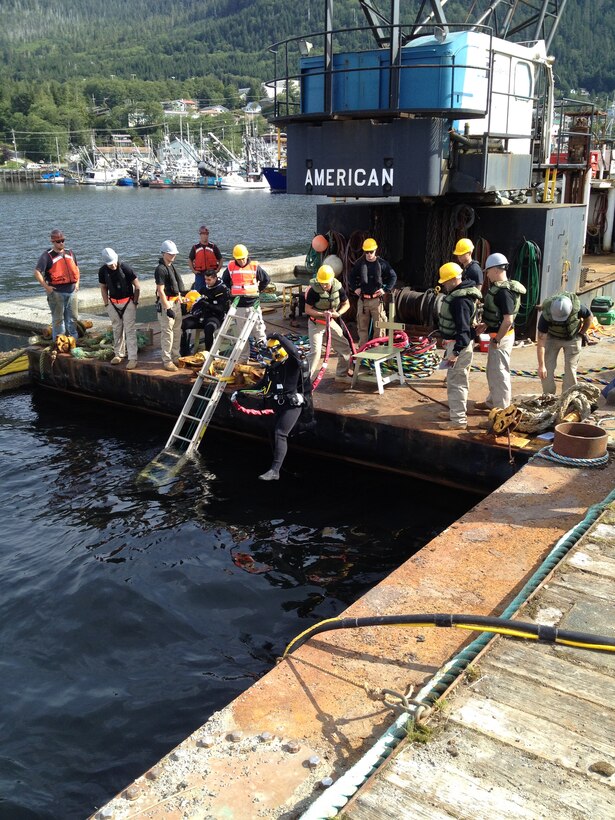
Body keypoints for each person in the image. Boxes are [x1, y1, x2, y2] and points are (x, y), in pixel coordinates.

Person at [236, 333, 309, 481]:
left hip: (292, 406)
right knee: (272, 433)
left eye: (275, 349)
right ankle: (279, 465)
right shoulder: (273, 367)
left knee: (280, 433)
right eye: (270, 350)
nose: (272, 353)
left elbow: (294, 351)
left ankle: (275, 471)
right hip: (276, 404)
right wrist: (241, 392)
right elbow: (262, 385)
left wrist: (278, 336)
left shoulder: (293, 363)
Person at [474, 253, 526, 411]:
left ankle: (502, 411)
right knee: (493, 372)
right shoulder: (500, 289)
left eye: (488, 271)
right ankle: (492, 402)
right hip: (497, 335)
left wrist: (497, 340)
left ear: (496, 270)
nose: (487, 275)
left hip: (502, 339)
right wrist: (486, 325)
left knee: (500, 374)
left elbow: (508, 320)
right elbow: (498, 317)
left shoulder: (503, 293)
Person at [436, 262, 482, 430]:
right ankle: (454, 412)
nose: (445, 285)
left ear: (454, 279)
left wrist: (455, 352)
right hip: (455, 343)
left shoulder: (460, 301)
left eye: (446, 281)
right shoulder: (461, 294)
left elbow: (463, 329)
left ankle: (458, 421)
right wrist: (447, 339)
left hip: (460, 347)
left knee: (457, 382)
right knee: (454, 381)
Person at [537, 292, 593, 395]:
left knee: (570, 370)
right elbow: (541, 345)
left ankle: (568, 398)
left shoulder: (578, 308)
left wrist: (581, 334)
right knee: (546, 371)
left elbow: (589, 317)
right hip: (552, 338)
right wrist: (541, 366)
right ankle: (549, 397)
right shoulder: (546, 316)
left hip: (572, 337)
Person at [304, 264, 352, 381]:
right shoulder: (313, 291)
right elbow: (307, 310)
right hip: (316, 323)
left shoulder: (338, 288)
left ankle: (341, 375)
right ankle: (305, 380)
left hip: (330, 322)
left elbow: (347, 304)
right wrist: (322, 314)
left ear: (332, 279)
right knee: (315, 352)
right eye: (322, 283)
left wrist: (338, 313)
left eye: (327, 283)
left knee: (345, 348)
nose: (324, 285)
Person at [349, 237, 397, 348]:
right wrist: (355, 288)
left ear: (375, 251)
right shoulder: (359, 264)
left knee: (379, 327)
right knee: (362, 327)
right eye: (367, 252)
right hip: (363, 300)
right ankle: (362, 349)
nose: (369, 254)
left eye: (371, 252)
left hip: (376, 300)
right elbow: (351, 277)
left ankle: (377, 350)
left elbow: (393, 276)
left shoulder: (382, 264)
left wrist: (385, 290)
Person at [221, 243, 269, 352]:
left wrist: (259, 289)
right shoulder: (231, 267)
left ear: (247, 256)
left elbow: (266, 279)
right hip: (238, 304)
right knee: (241, 334)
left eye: (243, 258)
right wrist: (231, 291)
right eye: (239, 259)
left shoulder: (254, 266)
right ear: (235, 258)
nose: (241, 261)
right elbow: (225, 281)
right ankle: (243, 357)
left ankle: (264, 352)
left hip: (253, 303)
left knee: (259, 330)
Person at [34, 228, 80, 341]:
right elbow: (37, 272)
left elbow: (76, 268)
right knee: (58, 319)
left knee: (73, 318)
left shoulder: (70, 253)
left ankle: (74, 340)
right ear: (53, 242)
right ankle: (59, 342)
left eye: (62, 240)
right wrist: (46, 287)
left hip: (72, 291)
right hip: (57, 292)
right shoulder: (47, 256)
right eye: (58, 241)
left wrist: (77, 283)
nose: (61, 243)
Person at [98, 247, 140, 369]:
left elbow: (137, 286)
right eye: (110, 264)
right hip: (113, 303)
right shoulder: (102, 271)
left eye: (114, 263)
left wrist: (135, 302)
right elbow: (103, 287)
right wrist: (107, 304)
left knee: (130, 330)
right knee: (117, 329)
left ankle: (132, 357)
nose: (113, 265)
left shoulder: (125, 268)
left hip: (128, 303)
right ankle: (118, 354)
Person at [155, 240, 187, 372]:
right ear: (164, 253)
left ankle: (176, 356)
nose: (173, 255)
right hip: (167, 303)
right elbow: (160, 290)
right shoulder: (161, 269)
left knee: (176, 331)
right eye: (170, 253)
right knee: (167, 333)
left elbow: (175, 287)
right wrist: (167, 308)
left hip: (175, 302)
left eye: (174, 253)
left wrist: (180, 299)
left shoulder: (172, 267)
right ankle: (167, 360)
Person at [180, 272, 230, 354]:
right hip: (202, 316)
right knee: (182, 324)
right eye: (205, 279)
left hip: (216, 317)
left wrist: (207, 304)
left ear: (215, 278)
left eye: (209, 280)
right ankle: (184, 351)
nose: (207, 281)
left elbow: (221, 309)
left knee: (209, 328)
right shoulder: (203, 289)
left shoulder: (222, 290)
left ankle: (208, 353)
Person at [188, 225, 222, 293]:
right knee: (199, 292)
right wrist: (194, 271)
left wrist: (218, 269)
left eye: (206, 234)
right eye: (203, 234)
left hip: (211, 273)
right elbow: (190, 260)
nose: (205, 236)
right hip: (200, 274)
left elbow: (220, 259)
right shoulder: (195, 247)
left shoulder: (213, 246)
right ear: (200, 235)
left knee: (213, 291)